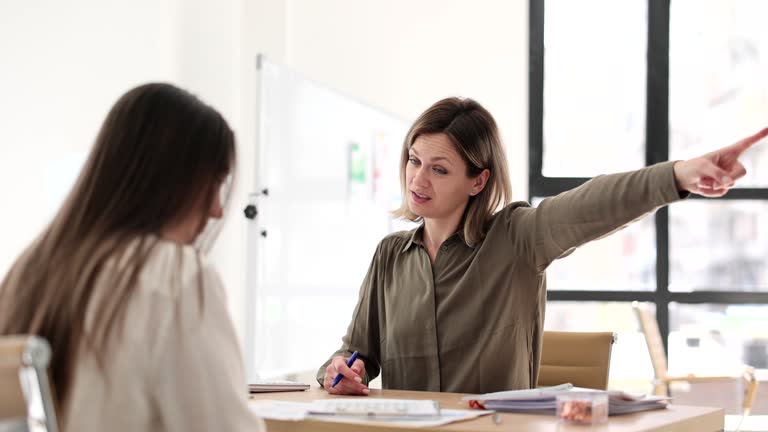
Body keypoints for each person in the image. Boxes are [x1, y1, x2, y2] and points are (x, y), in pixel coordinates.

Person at [318, 96, 768, 396]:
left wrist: (677, 176)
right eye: (414, 160)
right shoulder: (390, 256)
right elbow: (357, 351)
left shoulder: (516, 238)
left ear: (478, 180)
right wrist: (340, 370)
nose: (417, 179)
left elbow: (590, 205)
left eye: (439, 169)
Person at [0, 83, 265, 431]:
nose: (217, 210)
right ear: (172, 182)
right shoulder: (175, 274)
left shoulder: (31, 271)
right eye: (214, 184)